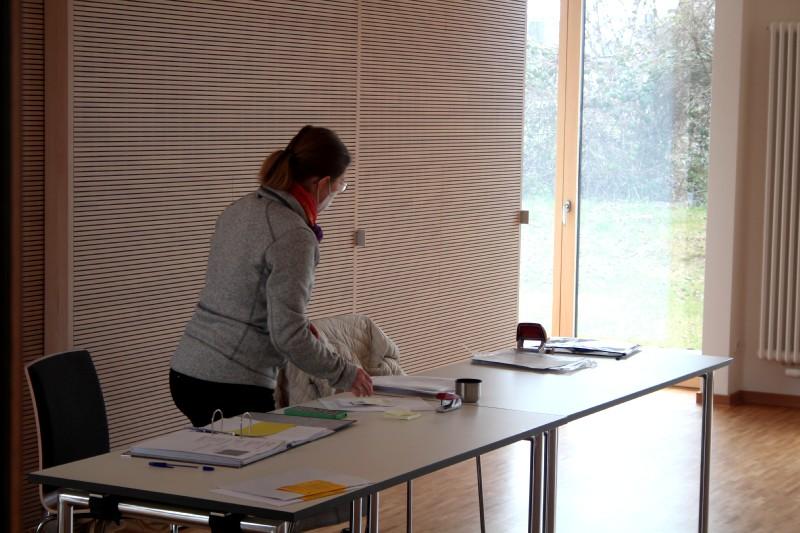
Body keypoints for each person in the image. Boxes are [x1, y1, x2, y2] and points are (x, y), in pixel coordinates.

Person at [170, 125, 373, 427]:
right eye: (340, 187)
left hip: (187, 370)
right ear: (322, 184)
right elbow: (288, 335)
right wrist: (345, 373)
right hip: (232, 383)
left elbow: (242, 296)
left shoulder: (240, 208)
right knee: (277, 456)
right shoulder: (294, 235)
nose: (335, 196)